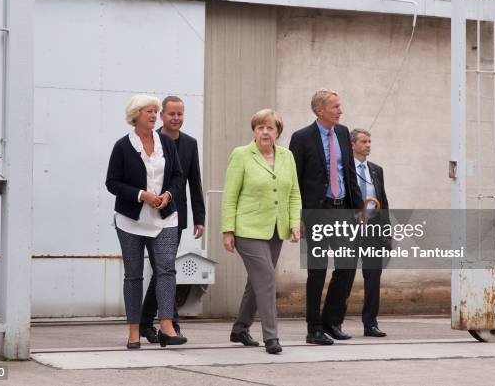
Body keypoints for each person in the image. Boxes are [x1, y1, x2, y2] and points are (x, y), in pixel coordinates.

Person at [106, 94, 187, 349]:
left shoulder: (166, 143)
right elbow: (112, 182)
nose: (153, 115)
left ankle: (166, 326)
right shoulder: (122, 146)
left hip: (165, 217)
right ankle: (133, 331)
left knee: (166, 270)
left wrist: (168, 194)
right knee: (133, 275)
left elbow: (177, 175)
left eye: (155, 111)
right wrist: (142, 195)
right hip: (131, 220)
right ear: (136, 115)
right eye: (148, 111)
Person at [222, 109, 302, 354]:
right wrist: (228, 230)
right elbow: (230, 195)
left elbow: (294, 193)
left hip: (277, 229)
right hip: (248, 229)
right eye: (260, 127)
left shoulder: (287, 156)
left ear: (278, 132)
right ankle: (271, 337)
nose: (265, 132)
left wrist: (295, 223)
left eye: (270, 128)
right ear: (254, 131)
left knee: (256, 281)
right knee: (266, 278)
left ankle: (240, 329)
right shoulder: (241, 155)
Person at [289, 88, 363, 345]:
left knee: (346, 267)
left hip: (342, 210)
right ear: (320, 110)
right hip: (316, 212)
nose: (341, 110)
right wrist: (296, 217)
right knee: (317, 270)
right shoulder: (301, 138)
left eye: (340, 106)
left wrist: (358, 209)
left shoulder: (342, 133)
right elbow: (293, 181)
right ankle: (314, 328)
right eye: (335, 106)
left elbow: (349, 173)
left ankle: (332, 321)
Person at [140, 95, 206, 342]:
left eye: (180, 114)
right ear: (162, 115)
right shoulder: (150, 140)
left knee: (162, 270)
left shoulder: (190, 143)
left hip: (175, 216)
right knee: (163, 269)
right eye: (171, 114)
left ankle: (149, 322)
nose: (176, 118)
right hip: (149, 214)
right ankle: (170, 324)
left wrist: (200, 218)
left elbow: (194, 182)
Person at [351, 128, 389, 338]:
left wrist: (386, 230)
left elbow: (383, 200)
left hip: (373, 228)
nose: (368, 145)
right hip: (352, 227)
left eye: (369, 141)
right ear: (353, 145)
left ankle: (370, 323)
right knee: (345, 274)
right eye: (364, 141)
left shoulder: (376, 170)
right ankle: (334, 322)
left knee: (373, 276)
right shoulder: (344, 168)